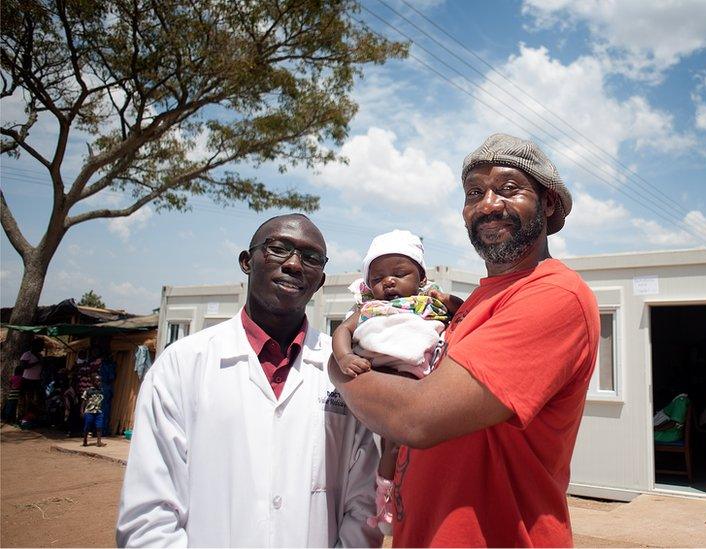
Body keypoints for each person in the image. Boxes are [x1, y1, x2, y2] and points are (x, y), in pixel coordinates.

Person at [328, 133, 600, 547]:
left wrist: (336, 364)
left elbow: (417, 417)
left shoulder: (553, 295)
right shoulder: (474, 301)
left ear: (547, 203)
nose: (489, 204)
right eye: (475, 192)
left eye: (508, 189)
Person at [117, 214, 382, 548]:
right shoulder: (181, 366)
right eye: (279, 249)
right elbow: (147, 517)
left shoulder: (348, 374)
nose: (295, 265)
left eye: (311, 258)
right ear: (247, 261)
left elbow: (363, 506)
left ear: (320, 280)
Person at [332, 229, 462, 530]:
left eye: (400, 273)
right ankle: (385, 499)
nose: (388, 281)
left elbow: (465, 312)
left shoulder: (430, 302)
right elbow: (342, 332)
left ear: (421, 278)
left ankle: (409, 495)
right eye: (377, 277)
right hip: (382, 377)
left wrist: (448, 299)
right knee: (390, 447)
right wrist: (344, 358)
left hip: (423, 380)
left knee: (421, 450)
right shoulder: (368, 308)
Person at [81, 373, 106, 447]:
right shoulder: (88, 391)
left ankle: (99, 441)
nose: (99, 383)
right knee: (87, 426)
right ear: (92, 382)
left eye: (100, 381)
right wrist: (82, 411)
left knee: (99, 426)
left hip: (99, 411)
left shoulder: (101, 390)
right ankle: (85, 439)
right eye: (97, 381)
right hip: (89, 411)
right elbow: (84, 402)